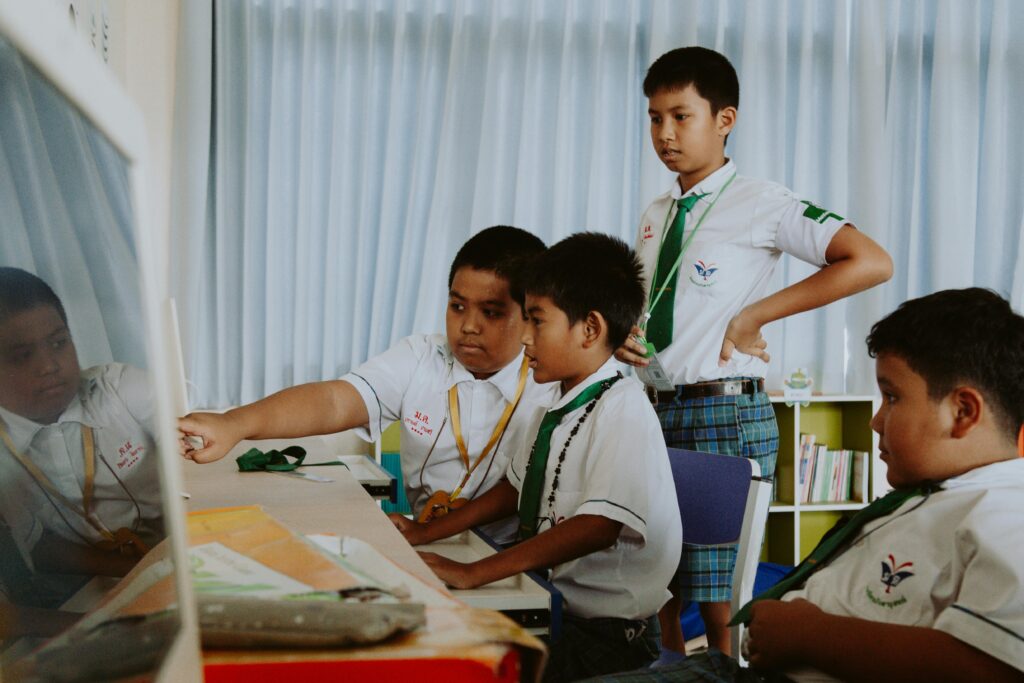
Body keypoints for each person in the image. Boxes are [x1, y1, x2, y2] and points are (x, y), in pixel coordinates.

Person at [587, 287, 1024, 682]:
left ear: (963, 412)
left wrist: (807, 635)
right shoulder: (930, 496)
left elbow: (991, 665)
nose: (875, 420)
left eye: (892, 397)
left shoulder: (1006, 515)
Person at [614, 46, 894, 658]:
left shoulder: (761, 201)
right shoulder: (655, 214)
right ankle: (663, 672)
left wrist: (755, 315)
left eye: (681, 116)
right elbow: (663, 303)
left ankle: (725, 671)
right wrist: (626, 338)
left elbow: (870, 262)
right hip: (652, 406)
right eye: (655, 118)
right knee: (652, 574)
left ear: (725, 119)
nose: (664, 133)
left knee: (717, 591)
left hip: (722, 410)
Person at [393, 233, 682, 682]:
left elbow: (597, 527)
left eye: (536, 321)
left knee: (468, 668)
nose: (524, 337)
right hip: (555, 609)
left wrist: (476, 572)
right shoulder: (553, 405)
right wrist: (424, 531)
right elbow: (513, 491)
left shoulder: (622, 408)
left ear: (590, 329)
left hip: (609, 637)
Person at [179, 225, 556, 542]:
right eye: (457, 306)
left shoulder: (551, 382)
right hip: (425, 540)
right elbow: (334, 402)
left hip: (512, 559)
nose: (468, 325)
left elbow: (520, 489)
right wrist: (234, 424)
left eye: (491, 312)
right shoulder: (422, 357)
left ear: (530, 317)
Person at [0, 267, 163, 605]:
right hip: (95, 582)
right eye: (22, 356)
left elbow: (194, 443)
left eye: (59, 343)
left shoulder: (119, 389)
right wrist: (136, 569)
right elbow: (39, 545)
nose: (49, 365)